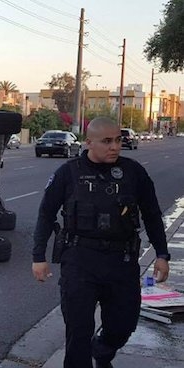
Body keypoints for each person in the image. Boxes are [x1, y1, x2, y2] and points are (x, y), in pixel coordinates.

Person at [31, 117, 171, 368]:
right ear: (89, 143)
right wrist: (38, 257)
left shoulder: (133, 172)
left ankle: (103, 349)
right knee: (78, 330)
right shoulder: (68, 173)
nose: (115, 146)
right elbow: (46, 214)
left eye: (118, 140)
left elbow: (151, 214)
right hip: (79, 260)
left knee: (123, 325)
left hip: (121, 262)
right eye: (107, 141)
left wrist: (161, 253)